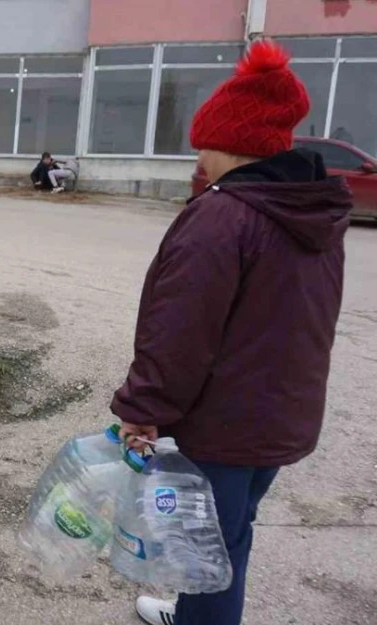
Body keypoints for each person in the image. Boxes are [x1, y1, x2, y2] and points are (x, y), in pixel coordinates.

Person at [113, 41, 350, 625]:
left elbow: (179, 331)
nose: (200, 159)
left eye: (207, 145)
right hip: (277, 413)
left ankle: (203, 617)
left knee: (207, 551)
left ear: (233, 143)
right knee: (229, 535)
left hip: (222, 423)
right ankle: (197, 613)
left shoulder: (223, 216)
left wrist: (144, 408)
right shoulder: (310, 206)